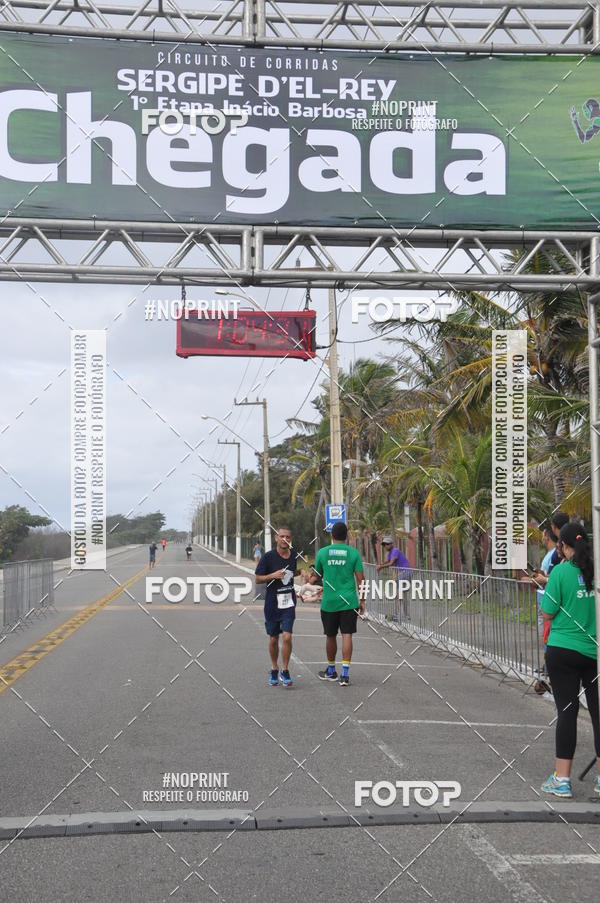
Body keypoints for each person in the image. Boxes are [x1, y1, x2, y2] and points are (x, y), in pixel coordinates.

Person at [540, 523, 600, 799]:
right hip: (594, 651)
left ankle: (562, 779)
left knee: (567, 711)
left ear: (563, 546)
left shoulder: (560, 572)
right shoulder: (595, 570)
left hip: (563, 650)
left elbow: (548, 613)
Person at [310, 522, 365, 686]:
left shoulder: (322, 553)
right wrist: (362, 600)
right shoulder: (354, 553)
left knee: (330, 635)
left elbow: (315, 577)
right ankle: (345, 674)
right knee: (347, 634)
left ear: (331, 536)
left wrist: (306, 586)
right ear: (346, 535)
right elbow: (361, 580)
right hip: (349, 601)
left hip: (329, 602)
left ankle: (332, 670)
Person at [255, 526, 299, 688]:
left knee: (287, 636)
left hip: (288, 602)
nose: (285, 539)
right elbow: (258, 579)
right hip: (272, 604)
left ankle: (285, 670)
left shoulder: (294, 556)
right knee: (274, 638)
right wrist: (272, 576)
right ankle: (274, 667)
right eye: (282, 536)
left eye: (288, 537)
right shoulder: (268, 557)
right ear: (276, 538)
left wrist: (304, 575)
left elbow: (294, 572)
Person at [378, 536, 412, 621]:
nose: (386, 546)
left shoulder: (395, 551)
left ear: (391, 544)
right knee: (399, 595)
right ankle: (401, 614)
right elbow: (387, 561)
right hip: (400, 574)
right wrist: (380, 564)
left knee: (399, 595)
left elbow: (391, 563)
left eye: (387, 544)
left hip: (405, 573)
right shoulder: (389, 553)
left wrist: (381, 567)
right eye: (384, 544)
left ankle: (402, 614)